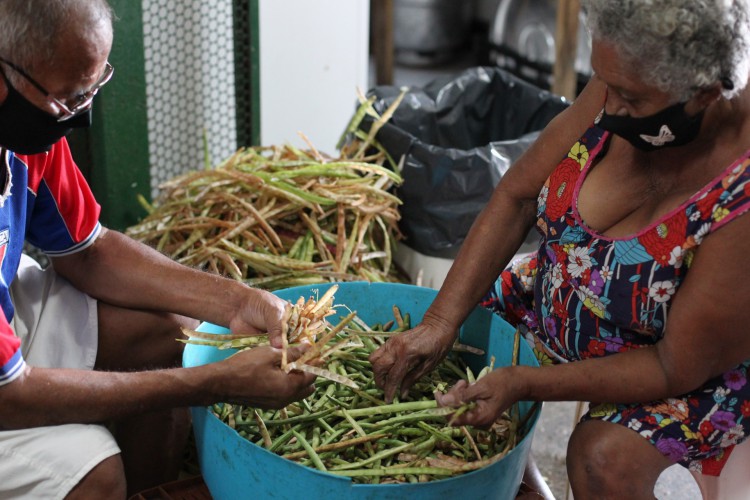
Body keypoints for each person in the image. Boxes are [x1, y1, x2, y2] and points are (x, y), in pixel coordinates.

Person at [370, 1, 750, 498]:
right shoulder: (626, 76)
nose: (607, 109)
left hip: (688, 371)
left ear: (703, 94)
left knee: (601, 460)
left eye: (630, 101)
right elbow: (517, 196)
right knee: (433, 354)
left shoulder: (739, 194)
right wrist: (440, 321)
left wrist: (525, 382)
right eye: (603, 82)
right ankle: (521, 484)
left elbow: (672, 365)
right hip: (558, 292)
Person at [0, 1, 317, 498]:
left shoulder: (23, 126)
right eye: (68, 98)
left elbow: (89, 251)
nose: (80, 113)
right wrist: (213, 382)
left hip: (6, 312)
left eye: (91, 89)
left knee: (177, 335)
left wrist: (236, 300)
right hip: (4, 388)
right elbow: (9, 394)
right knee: (95, 473)